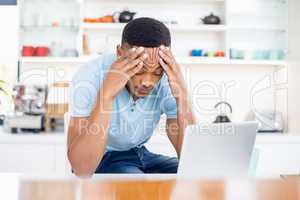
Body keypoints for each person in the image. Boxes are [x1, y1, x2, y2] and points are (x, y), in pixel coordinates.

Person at [67, 17, 196, 176]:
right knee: (138, 187)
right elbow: (81, 169)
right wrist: (106, 94)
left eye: (156, 73)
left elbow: (191, 159)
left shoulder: (167, 78)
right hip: (103, 158)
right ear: (120, 54)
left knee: (199, 174)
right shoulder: (89, 76)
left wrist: (182, 95)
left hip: (141, 154)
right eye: (139, 70)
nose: (148, 82)